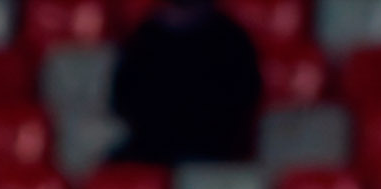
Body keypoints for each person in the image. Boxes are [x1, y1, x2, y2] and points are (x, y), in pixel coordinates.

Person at [109, 0, 265, 167]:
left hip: (215, 155)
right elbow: (123, 102)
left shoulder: (231, 40)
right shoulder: (144, 39)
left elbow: (244, 104)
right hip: (151, 152)